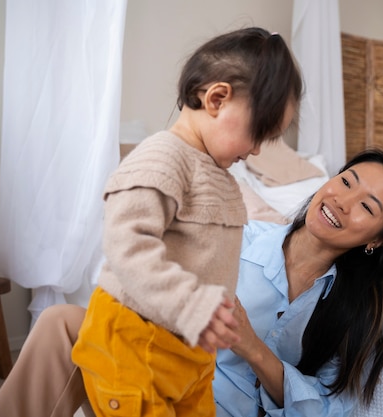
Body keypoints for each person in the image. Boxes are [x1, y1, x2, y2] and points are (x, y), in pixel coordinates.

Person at [0, 148, 383, 417]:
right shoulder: (237, 238)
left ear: (378, 239)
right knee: (63, 323)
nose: (341, 201)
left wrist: (252, 347)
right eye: (345, 181)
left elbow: (331, 410)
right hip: (154, 392)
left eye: (366, 206)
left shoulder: (357, 310)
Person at [69, 27, 303, 417]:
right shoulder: (163, 155)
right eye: (258, 133)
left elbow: (207, 258)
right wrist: (195, 304)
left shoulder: (220, 175)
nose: (257, 149)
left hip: (191, 353)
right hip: (135, 339)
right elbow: (127, 246)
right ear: (216, 99)